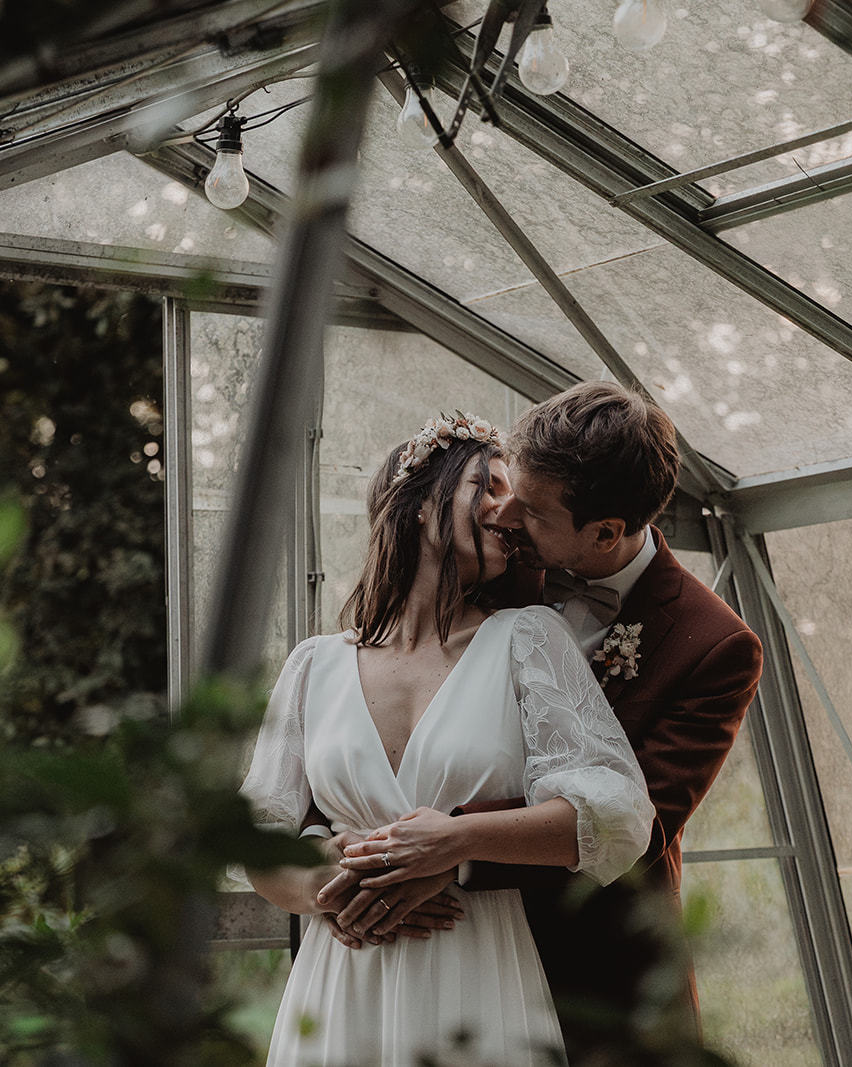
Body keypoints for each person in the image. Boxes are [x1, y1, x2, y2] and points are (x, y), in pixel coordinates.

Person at [324, 382, 764, 1061]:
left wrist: (451, 850)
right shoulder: (500, 565)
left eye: (529, 508)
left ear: (605, 532)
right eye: (504, 491)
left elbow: (636, 823)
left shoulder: (715, 646)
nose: (504, 513)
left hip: (596, 966)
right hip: (449, 954)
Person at [240, 410, 654, 1067]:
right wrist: (331, 881)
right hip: (340, 980)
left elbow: (617, 816)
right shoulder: (313, 665)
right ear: (418, 503)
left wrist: (457, 841)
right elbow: (253, 837)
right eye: (487, 486)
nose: (509, 509)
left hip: (476, 965)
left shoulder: (529, 640)